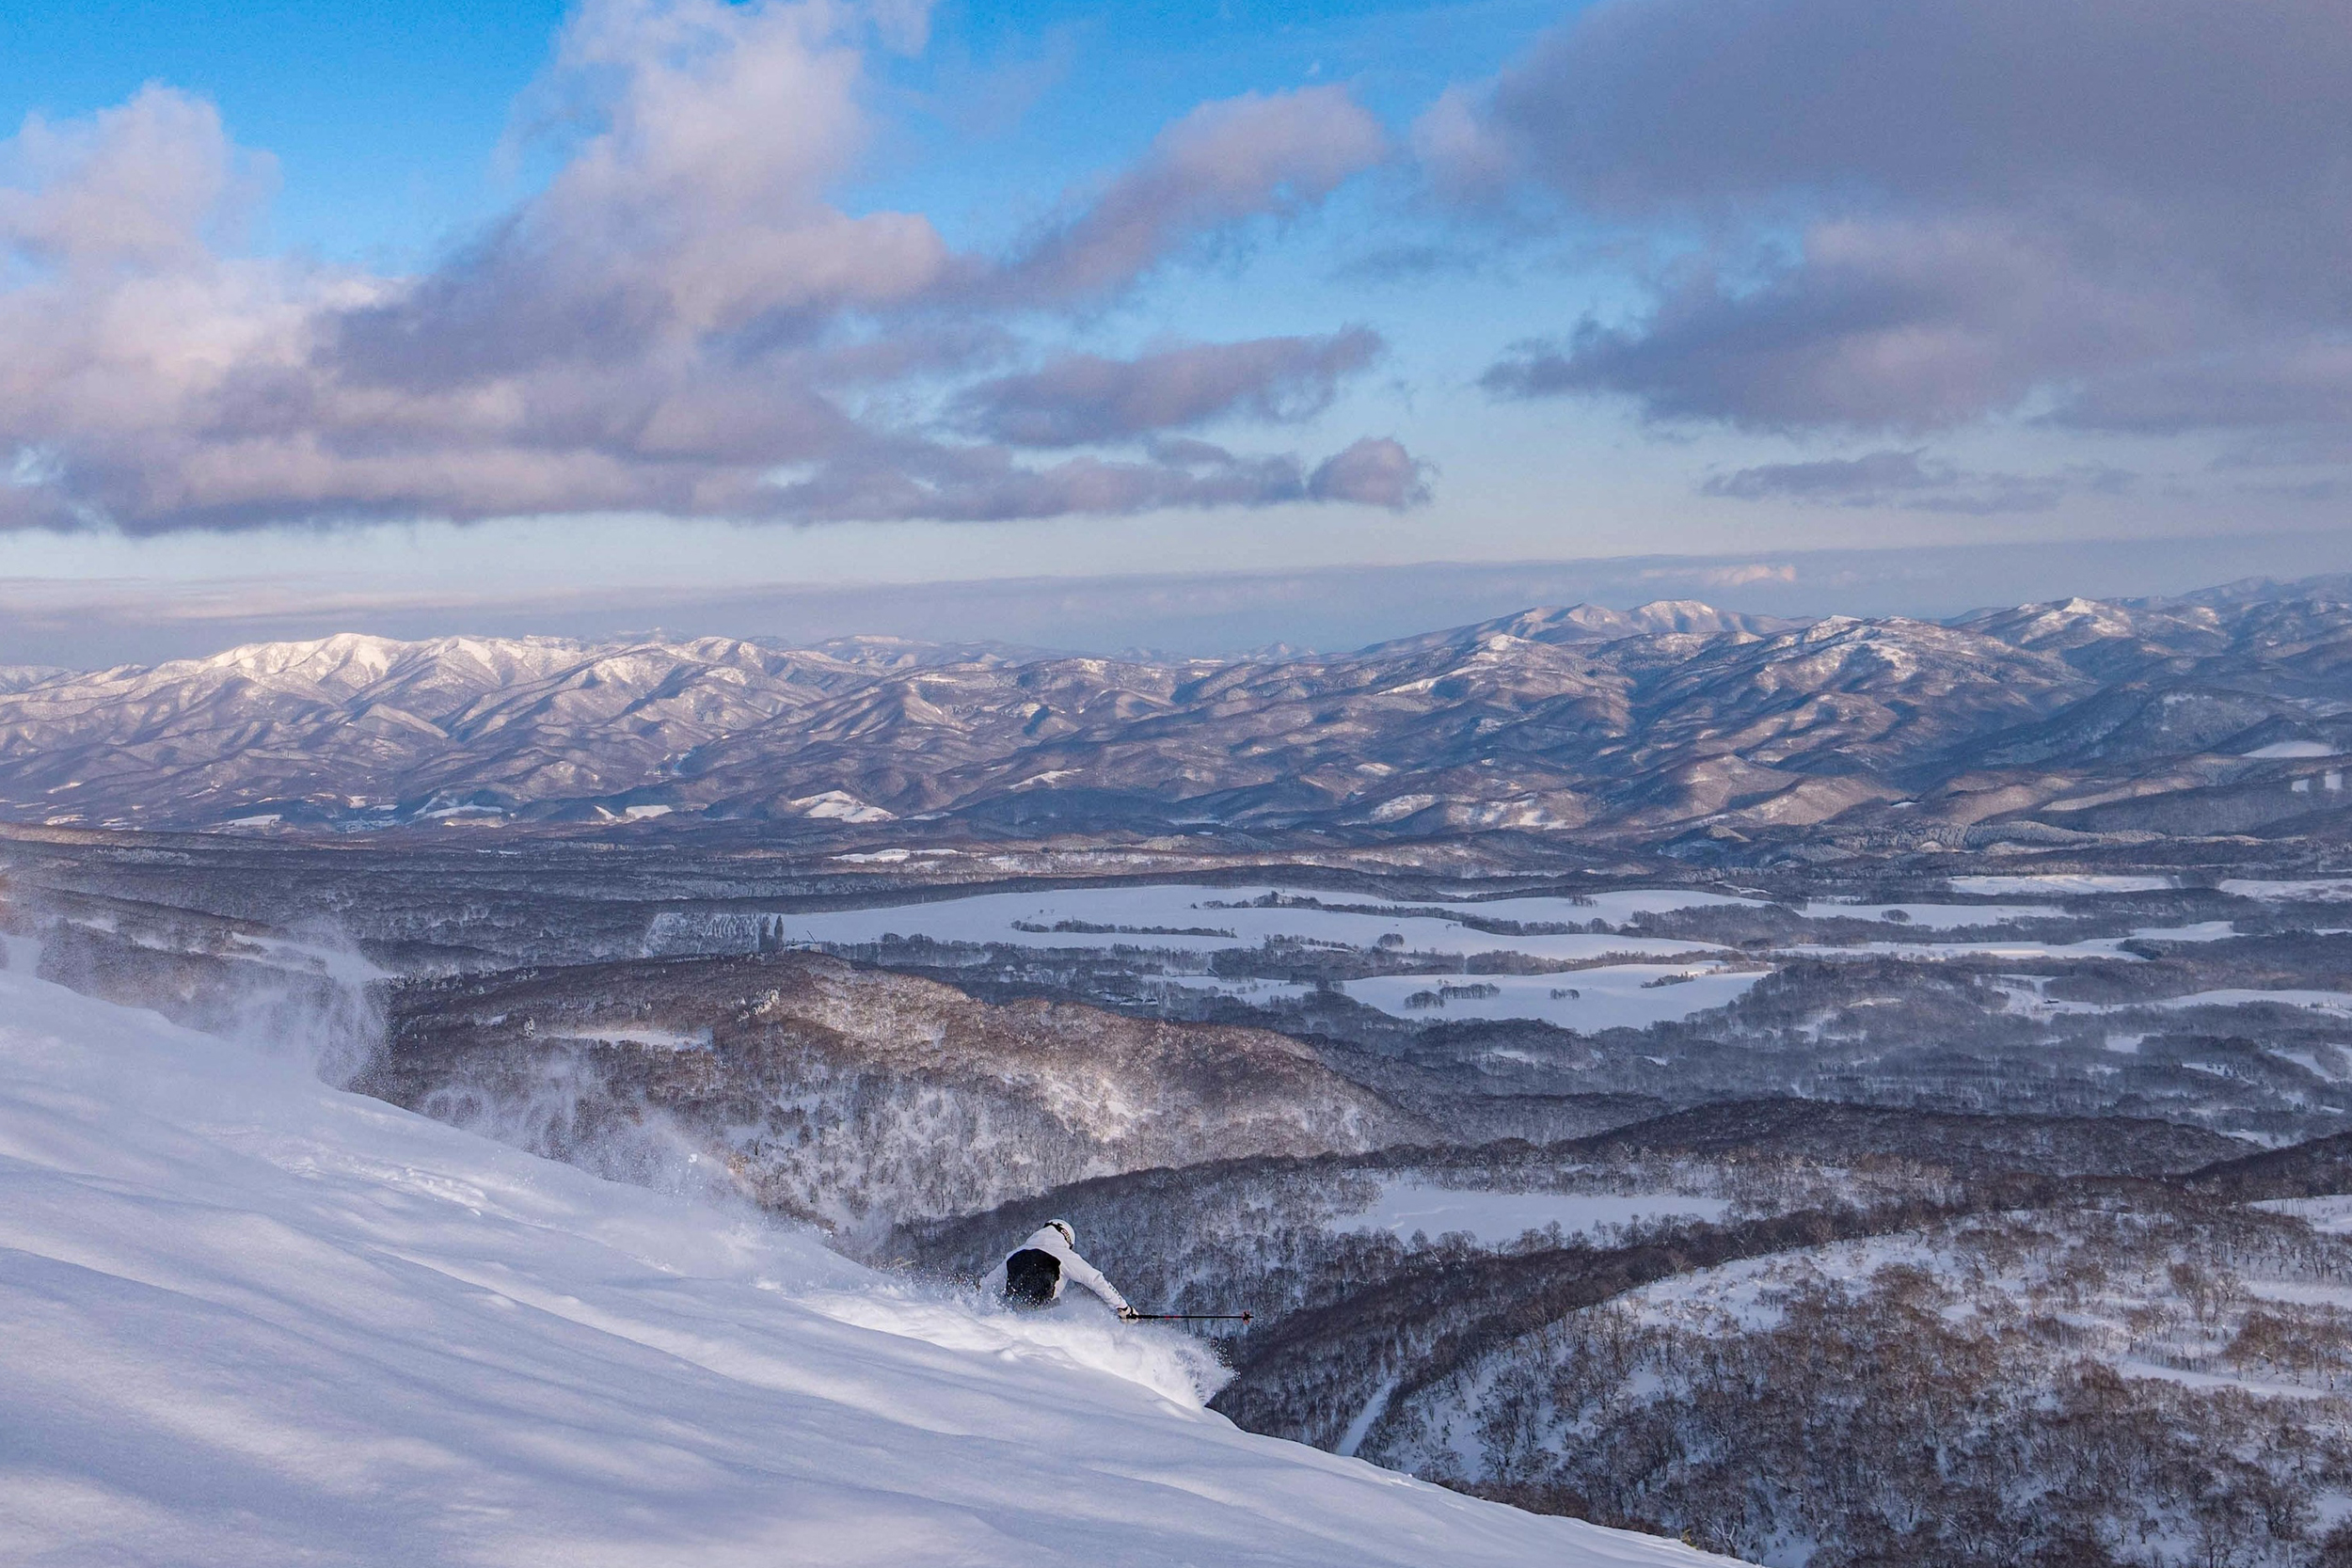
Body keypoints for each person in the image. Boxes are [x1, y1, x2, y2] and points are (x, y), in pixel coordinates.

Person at [984, 1220, 1136, 1317]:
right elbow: (1096, 1279)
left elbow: (988, 1285)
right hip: (1043, 1313)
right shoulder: (1063, 1254)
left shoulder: (1014, 1254)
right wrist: (1123, 1307)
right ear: (1067, 1239)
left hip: (1012, 1313)